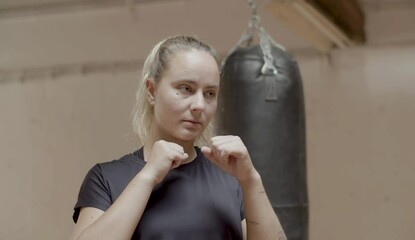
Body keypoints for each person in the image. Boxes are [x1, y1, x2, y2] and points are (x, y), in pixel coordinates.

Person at [69, 35, 286, 240]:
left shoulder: (231, 178)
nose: (199, 105)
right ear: (152, 91)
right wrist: (149, 175)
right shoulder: (107, 178)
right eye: (186, 89)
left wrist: (250, 180)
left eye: (210, 93)